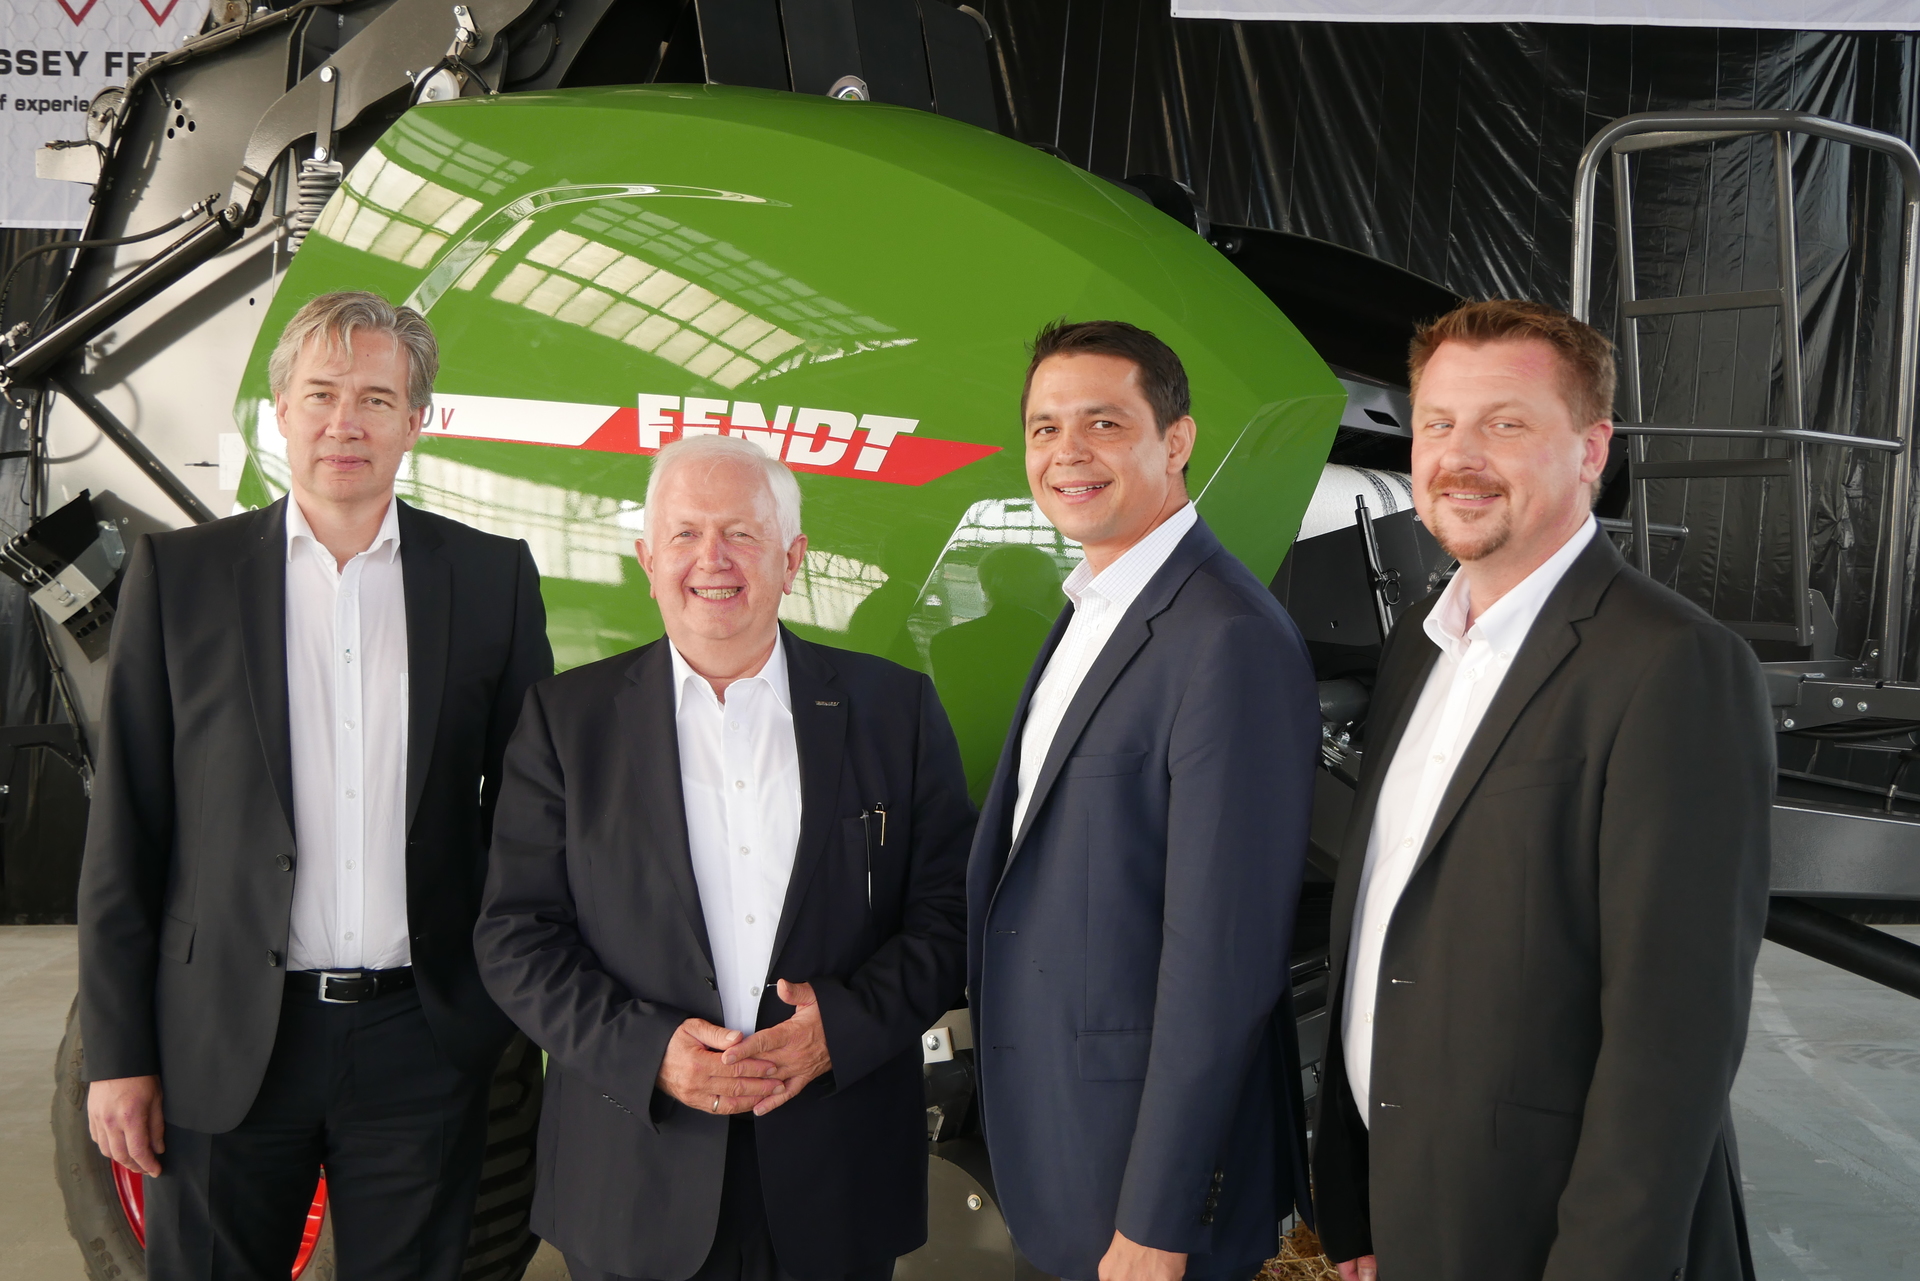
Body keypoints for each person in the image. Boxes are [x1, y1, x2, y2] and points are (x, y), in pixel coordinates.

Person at [78, 291, 553, 1280]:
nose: (346, 422)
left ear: (415, 421)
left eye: (376, 399)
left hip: (421, 1039)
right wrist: (119, 1054)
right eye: (323, 394)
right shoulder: (181, 577)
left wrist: (494, 1008)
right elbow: (128, 829)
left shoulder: (491, 580)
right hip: (223, 1038)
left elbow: (527, 819)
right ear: (281, 410)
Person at [1311, 299, 1773, 1281]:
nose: (1459, 455)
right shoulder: (1417, 646)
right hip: (1413, 1213)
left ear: (1591, 449)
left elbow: (1673, 1040)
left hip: (1550, 1238)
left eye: (1506, 423)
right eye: (1438, 423)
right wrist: (1361, 1207)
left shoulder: (1673, 664)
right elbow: (1388, 925)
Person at [474, 432, 973, 1281]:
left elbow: (950, 914)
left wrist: (842, 1029)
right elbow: (515, 937)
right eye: (685, 533)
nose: (713, 558)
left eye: (742, 532)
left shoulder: (895, 710)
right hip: (635, 1173)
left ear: (792, 557)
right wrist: (649, 1050)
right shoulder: (565, 722)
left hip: (836, 1170)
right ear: (648, 560)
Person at [966, 320, 1320, 1281]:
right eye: (1044, 428)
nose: (1066, 453)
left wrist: (1160, 1218)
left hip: (1146, 1197)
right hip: (1070, 1147)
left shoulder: (1227, 635)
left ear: (1177, 439)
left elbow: (1222, 961)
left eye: (1103, 423)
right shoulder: (1094, 608)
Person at [929, 543, 1063, 802]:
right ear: (1054, 590)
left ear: (985, 587)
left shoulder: (948, 642)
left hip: (969, 776)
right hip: (1042, 778)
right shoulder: (1063, 642)